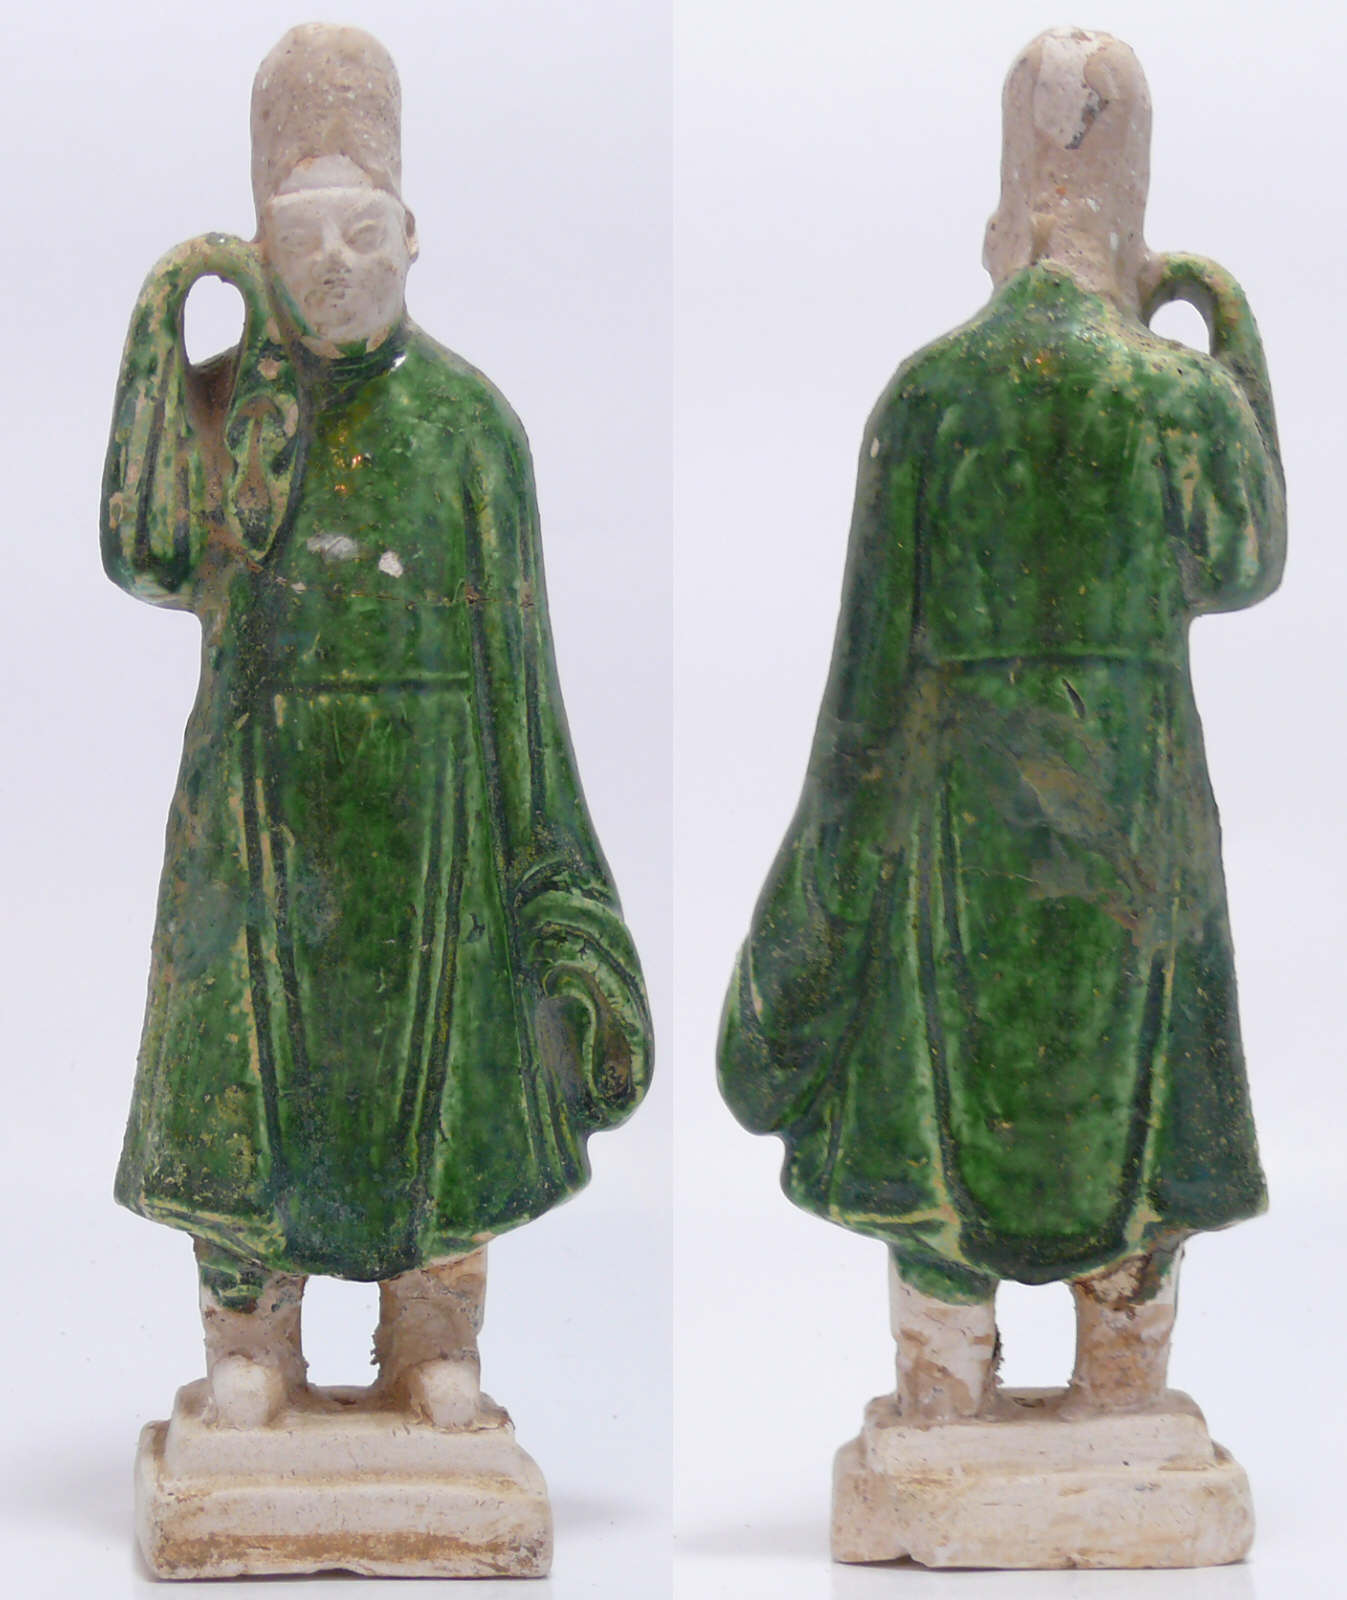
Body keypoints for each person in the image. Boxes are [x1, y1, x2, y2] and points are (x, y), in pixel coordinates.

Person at [718, 27, 1283, 1420]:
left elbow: (864, 684)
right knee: (1136, 1122)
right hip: (1132, 814)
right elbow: (1247, 561)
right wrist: (1227, 332)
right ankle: (1120, 1393)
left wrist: (829, 866)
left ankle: (945, 1395)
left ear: (999, 233)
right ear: (1132, 237)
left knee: (944, 1115)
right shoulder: (1177, 394)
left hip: (956, 819)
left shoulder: (925, 397)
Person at [103, 24, 651, 1429]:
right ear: (260, 246)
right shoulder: (233, 416)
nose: (336, 262)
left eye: (364, 231)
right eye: (301, 237)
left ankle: (430, 1333)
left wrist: (548, 876)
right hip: (261, 815)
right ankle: (252, 1337)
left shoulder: (471, 429)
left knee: (443, 1092)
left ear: (412, 237)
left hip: (437, 822)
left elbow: (524, 680)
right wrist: (168, 322)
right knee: (249, 1085)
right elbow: (145, 555)